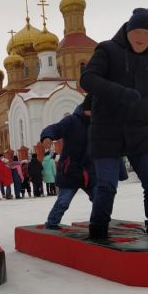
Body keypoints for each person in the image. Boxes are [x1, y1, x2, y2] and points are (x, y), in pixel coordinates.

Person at [80, 7, 148, 239]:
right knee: (107, 186)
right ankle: (99, 230)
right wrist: (120, 93)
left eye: (147, 32)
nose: (141, 37)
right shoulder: (107, 50)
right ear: (127, 30)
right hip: (106, 128)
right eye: (137, 31)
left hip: (140, 129)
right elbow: (88, 79)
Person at [41, 95, 96, 229]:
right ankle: (52, 224)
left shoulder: (98, 123)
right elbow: (55, 128)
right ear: (85, 109)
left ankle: (99, 223)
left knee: (100, 198)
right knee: (63, 202)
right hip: (70, 170)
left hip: (89, 171)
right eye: (92, 110)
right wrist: (47, 136)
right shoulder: (71, 121)